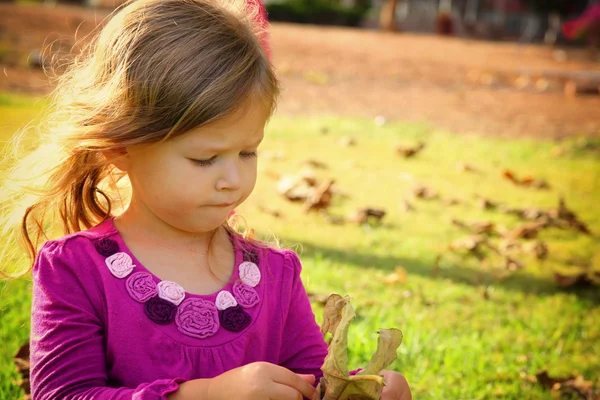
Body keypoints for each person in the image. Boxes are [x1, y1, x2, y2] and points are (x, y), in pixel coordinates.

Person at [0, 1, 412, 399]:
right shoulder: (76, 270)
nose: (232, 180)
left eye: (247, 152)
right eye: (204, 159)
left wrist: (359, 389)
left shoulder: (275, 275)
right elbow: (64, 394)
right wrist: (207, 394)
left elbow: (310, 382)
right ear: (120, 147)